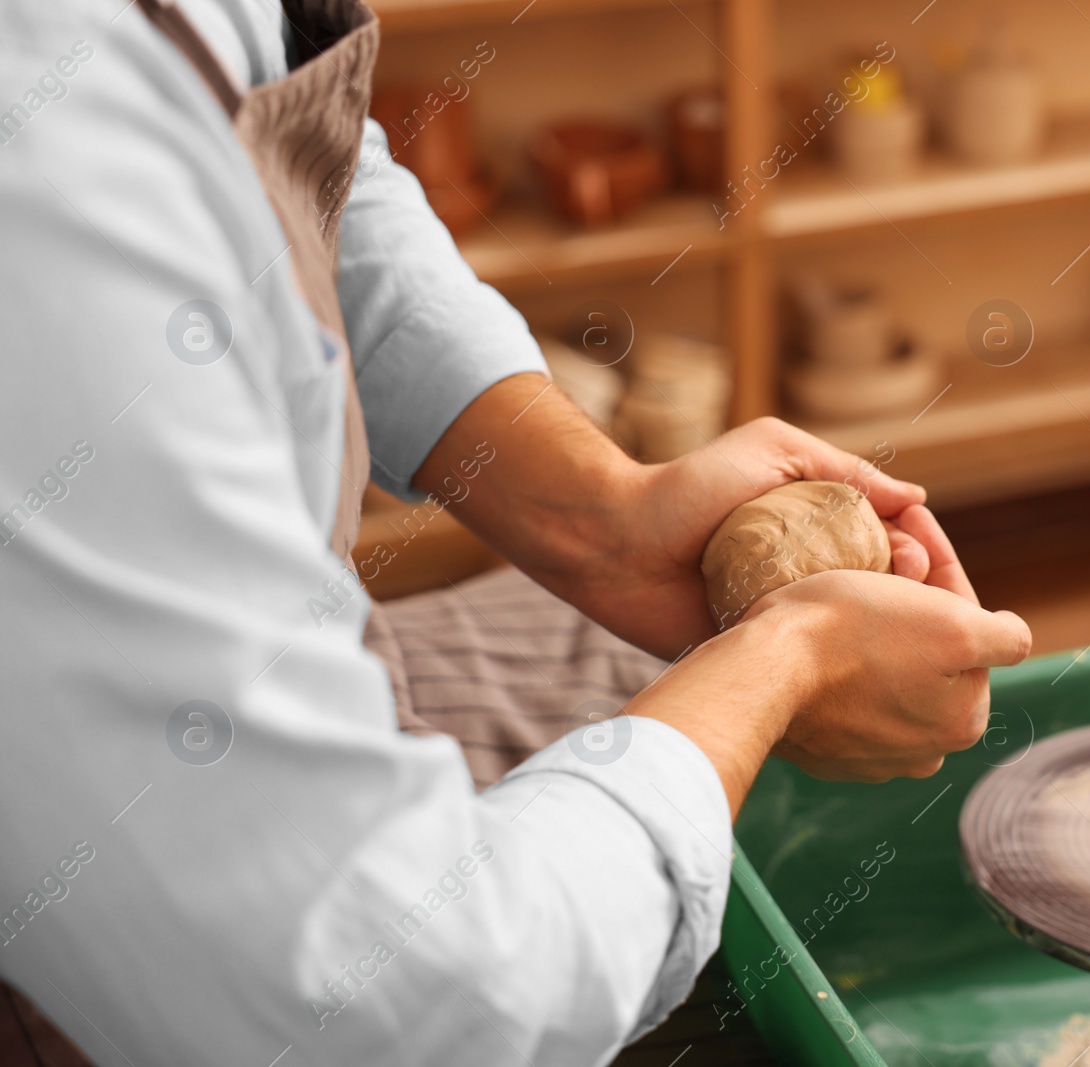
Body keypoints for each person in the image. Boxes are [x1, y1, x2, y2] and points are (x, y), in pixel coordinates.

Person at [0, 1, 1032, 1064]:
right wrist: (789, 652)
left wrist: (599, 516)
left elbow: (307, 160)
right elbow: (400, 1003)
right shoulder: (46, 171)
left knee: (633, 651)